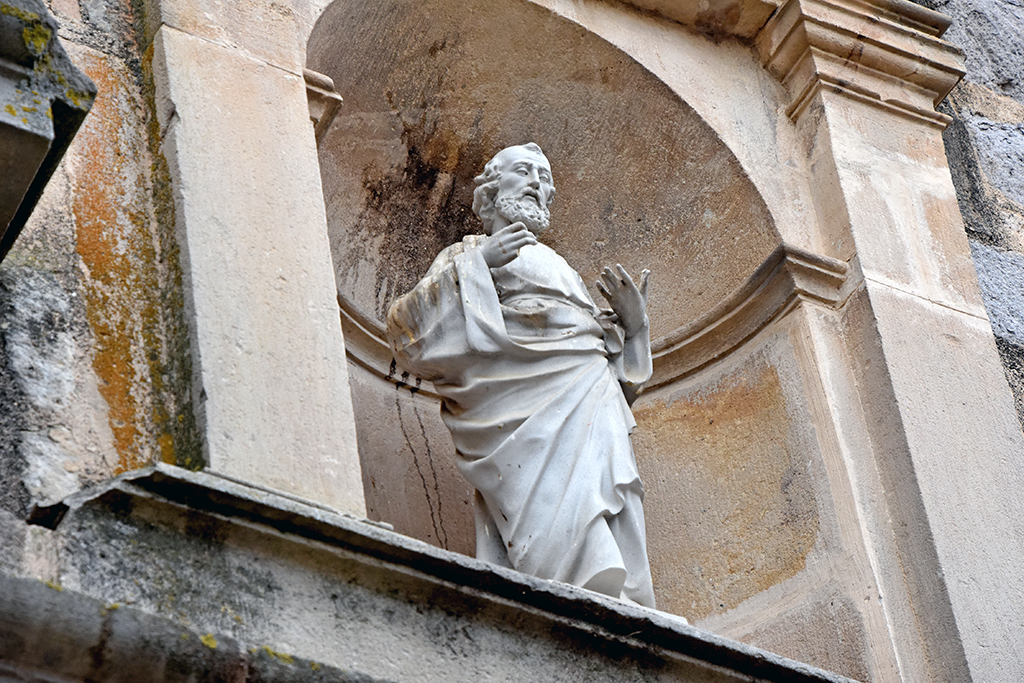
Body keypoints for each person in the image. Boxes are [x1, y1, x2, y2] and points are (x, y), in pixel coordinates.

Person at [386, 143, 655, 607]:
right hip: (515, 405)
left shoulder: (563, 269)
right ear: (492, 189)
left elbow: (617, 380)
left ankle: (617, 594)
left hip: (587, 393)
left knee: (605, 480)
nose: (538, 183)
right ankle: (560, 588)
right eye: (525, 172)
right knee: (548, 504)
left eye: (545, 177)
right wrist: (480, 264)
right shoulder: (464, 253)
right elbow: (407, 334)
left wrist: (635, 328)